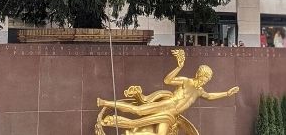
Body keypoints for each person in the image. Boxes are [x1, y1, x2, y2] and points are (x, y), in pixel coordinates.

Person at [97, 49, 239, 134]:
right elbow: (167, 80)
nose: (206, 80)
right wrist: (179, 66)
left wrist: (226, 93)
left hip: (170, 116)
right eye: (206, 77)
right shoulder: (186, 81)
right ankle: (106, 102)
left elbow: (210, 96)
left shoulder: (199, 91)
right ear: (200, 74)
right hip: (166, 105)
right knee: (138, 111)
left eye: (208, 79)